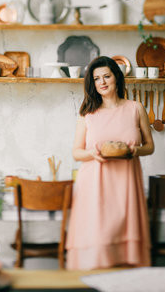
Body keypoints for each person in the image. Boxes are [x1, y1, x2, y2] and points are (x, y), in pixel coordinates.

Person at [66, 56, 155, 270]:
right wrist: (93, 154)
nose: (102, 82)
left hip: (126, 183)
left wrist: (135, 150)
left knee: (125, 239)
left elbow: (150, 146)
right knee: (98, 238)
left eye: (107, 76)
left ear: (117, 77)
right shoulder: (87, 113)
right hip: (95, 183)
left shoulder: (136, 108)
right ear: (92, 83)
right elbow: (76, 152)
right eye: (97, 78)